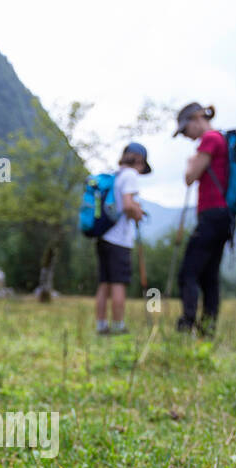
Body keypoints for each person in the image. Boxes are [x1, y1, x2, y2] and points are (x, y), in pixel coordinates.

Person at [174, 103, 234, 335]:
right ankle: (208, 329)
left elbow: (190, 177)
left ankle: (187, 323)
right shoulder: (222, 140)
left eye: (185, 129)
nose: (186, 136)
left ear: (197, 118)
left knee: (188, 273)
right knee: (209, 276)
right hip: (224, 216)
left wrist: (191, 163)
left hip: (211, 215)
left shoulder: (209, 139)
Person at [95, 142, 150, 336]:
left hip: (103, 236)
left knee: (104, 283)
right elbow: (127, 205)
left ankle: (101, 325)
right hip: (119, 240)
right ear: (139, 160)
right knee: (118, 283)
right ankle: (118, 326)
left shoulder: (116, 176)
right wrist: (138, 212)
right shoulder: (130, 175)